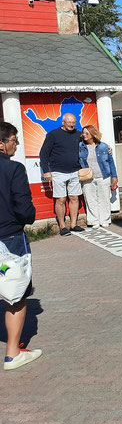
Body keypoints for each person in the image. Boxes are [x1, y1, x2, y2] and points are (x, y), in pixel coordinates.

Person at [0, 122, 42, 370]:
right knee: (16, 293)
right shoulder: (13, 169)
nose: (17, 144)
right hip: (9, 238)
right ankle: (13, 352)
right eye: (14, 139)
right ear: (2, 143)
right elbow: (24, 209)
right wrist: (29, 216)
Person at [39, 113, 83, 236]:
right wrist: (46, 170)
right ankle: (62, 226)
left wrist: (107, 148)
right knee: (61, 199)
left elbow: (91, 144)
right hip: (58, 172)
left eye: (74, 122)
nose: (72, 124)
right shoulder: (53, 135)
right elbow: (44, 153)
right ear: (63, 122)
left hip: (75, 171)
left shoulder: (79, 134)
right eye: (69, 122)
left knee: (74, 198)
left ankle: (74, 224)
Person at [78, 125, 118, 228]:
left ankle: (105, 220)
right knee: (90, 200)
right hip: (88, 177)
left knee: (104, 199)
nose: (84, 135)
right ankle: (93, 221)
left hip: (103, 176)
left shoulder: (103, 146)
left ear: (93, 134)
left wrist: (114, 176)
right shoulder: (80, 147)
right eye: (83, 133)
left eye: (87, 133)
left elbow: (110, 162)